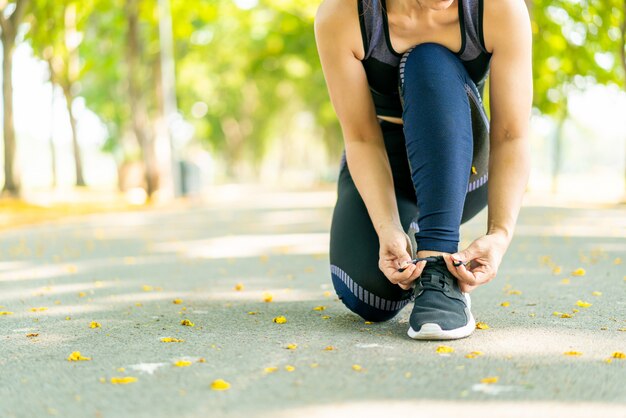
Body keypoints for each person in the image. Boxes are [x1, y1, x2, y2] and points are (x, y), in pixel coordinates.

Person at [314, 0, 532, 340]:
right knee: (372, 297)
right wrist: (386, 226)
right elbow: (360, 138)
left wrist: (499, 234)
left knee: (427, 59)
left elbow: (511, 135)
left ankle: (438, 261)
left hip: (464, 170)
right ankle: (412, 230)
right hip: (387, 169)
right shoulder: (342, 15)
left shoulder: (499, 8)